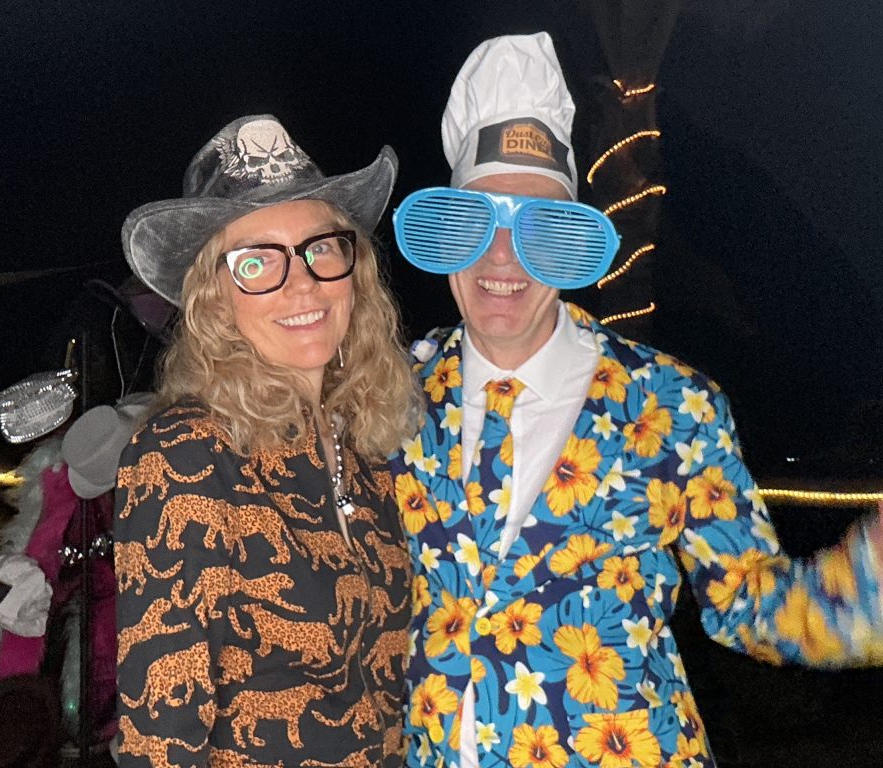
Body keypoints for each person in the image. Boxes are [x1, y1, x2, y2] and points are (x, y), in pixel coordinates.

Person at [390, 33, 883, 768]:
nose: (502, 255)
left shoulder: (673, 403)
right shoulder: (391, 393)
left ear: (570, 240)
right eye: (476, 219)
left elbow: (751, 604)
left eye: (540, 225)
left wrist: (872, 578)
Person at [114, 115, 419, 767]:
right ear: (215, 301)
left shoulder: (367, 445)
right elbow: (160, 741)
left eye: (321, 249)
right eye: (256, 262)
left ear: (355, 272)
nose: (302, 282)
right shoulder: (185, 455)